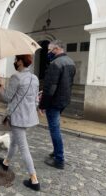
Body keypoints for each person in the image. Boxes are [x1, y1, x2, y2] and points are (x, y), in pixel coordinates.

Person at [0, 55, 40, 191]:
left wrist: (0, 85)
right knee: (14, 140)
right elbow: (36, 100)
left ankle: (34, 180)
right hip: (29, 117)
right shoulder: (35, 78)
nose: (14, 62)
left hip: (18, 118)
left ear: (20, 61)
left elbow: (7, 98)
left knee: (23, 147)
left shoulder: (16, 77)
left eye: (16, 59)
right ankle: (6, 162)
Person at [39, 40, 76, 170]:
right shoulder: (70, 62)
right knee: (56, 127)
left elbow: (50, 87)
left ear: (56, 49)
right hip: (63, 100)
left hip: (54, 102)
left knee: (54, 129)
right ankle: (56, 152)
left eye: (49, 50)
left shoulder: (55, 63)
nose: (48, 53)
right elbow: (64, 83)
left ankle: (59, 159)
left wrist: (42, 105)